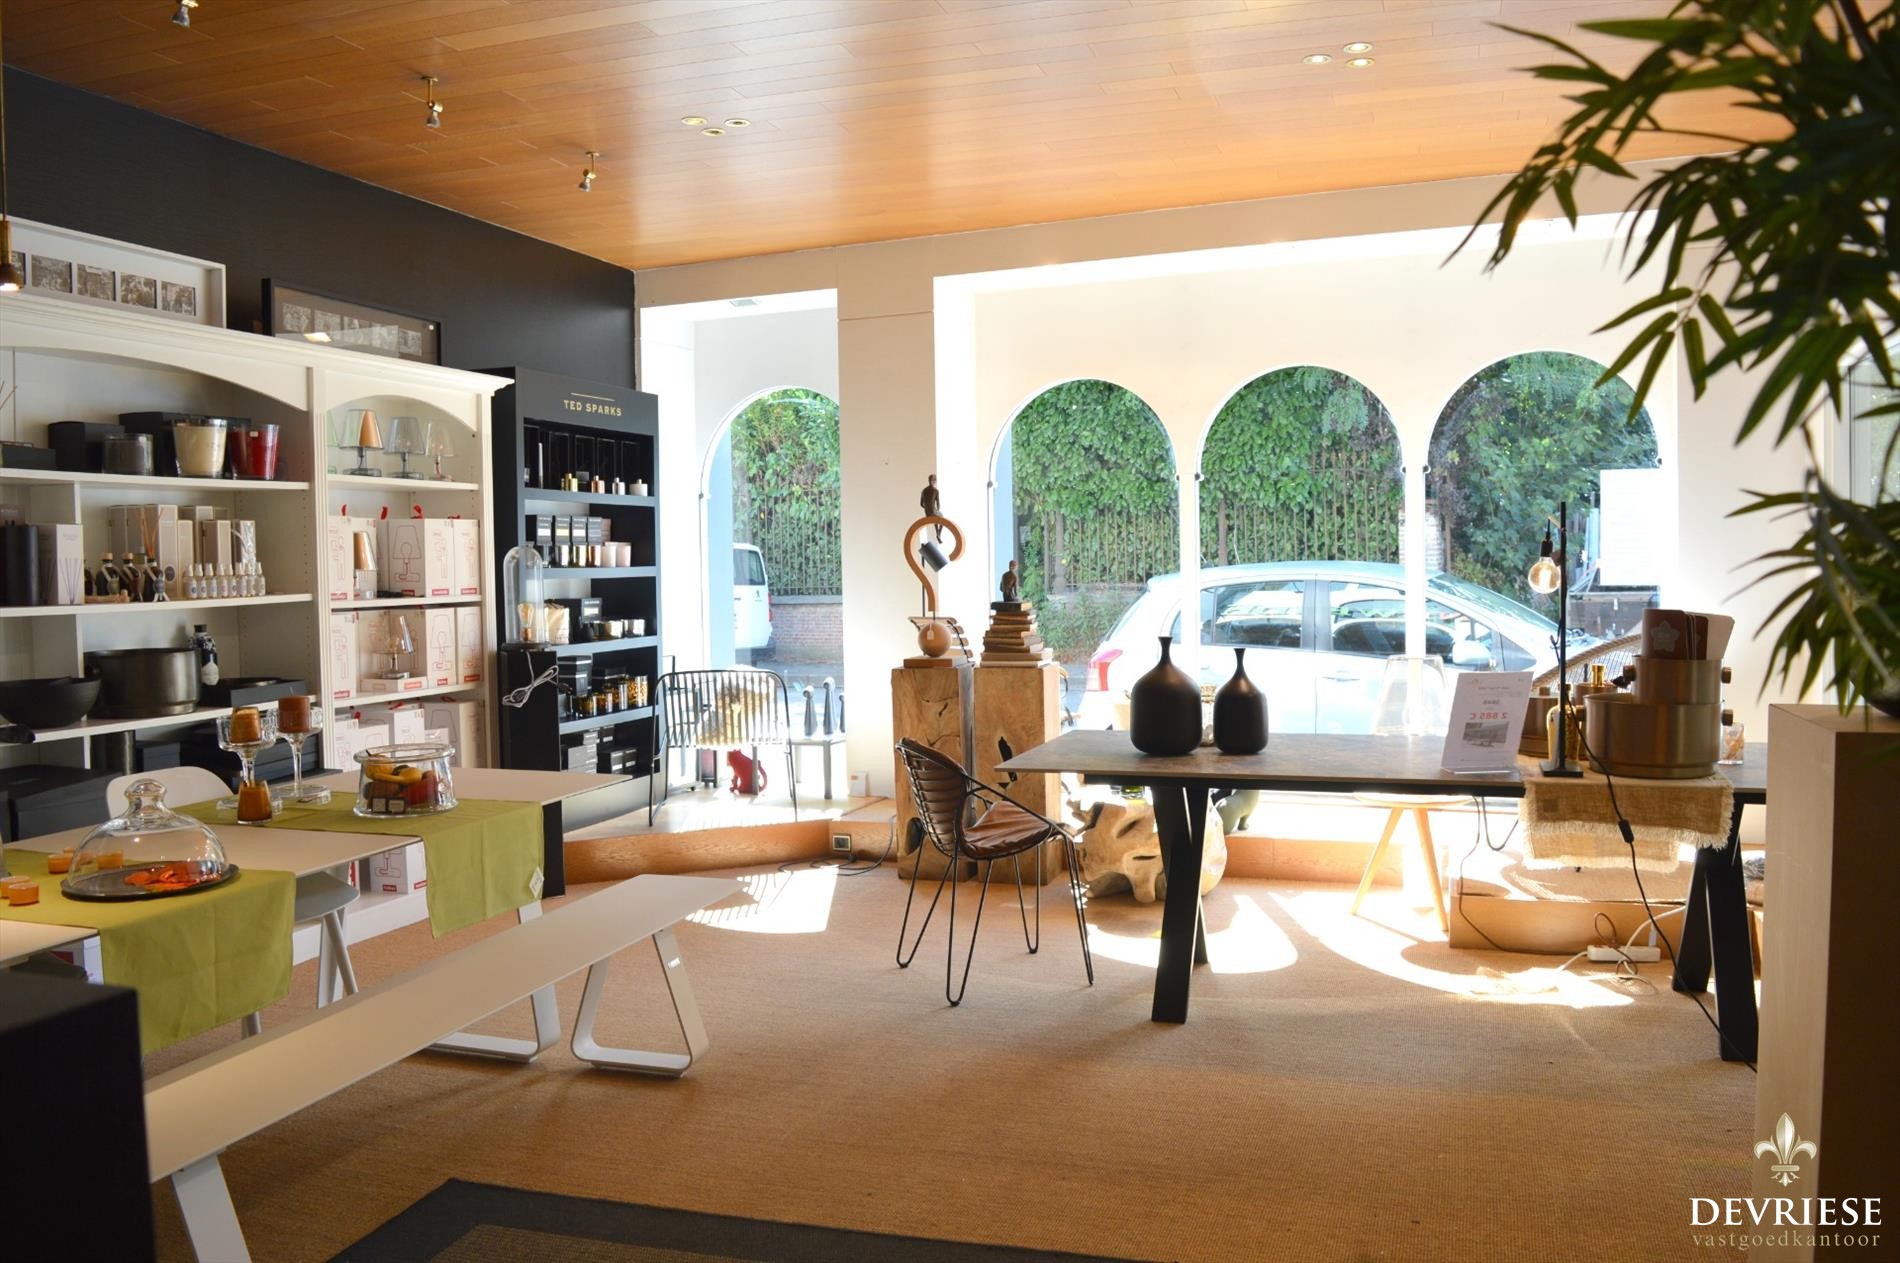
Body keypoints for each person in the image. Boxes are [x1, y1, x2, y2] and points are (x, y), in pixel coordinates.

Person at [919, 475, 942, 540]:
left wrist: (927, 508)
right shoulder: (935, 490)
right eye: (934, 480)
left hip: (927, 512)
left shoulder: (924, 490)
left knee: (935, 517)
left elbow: (921, 504)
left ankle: (937, 534)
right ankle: (938, 533)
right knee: (942, 518)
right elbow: (938, 504)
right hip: (933, 512)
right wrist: (937, 510)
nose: (934, 481)